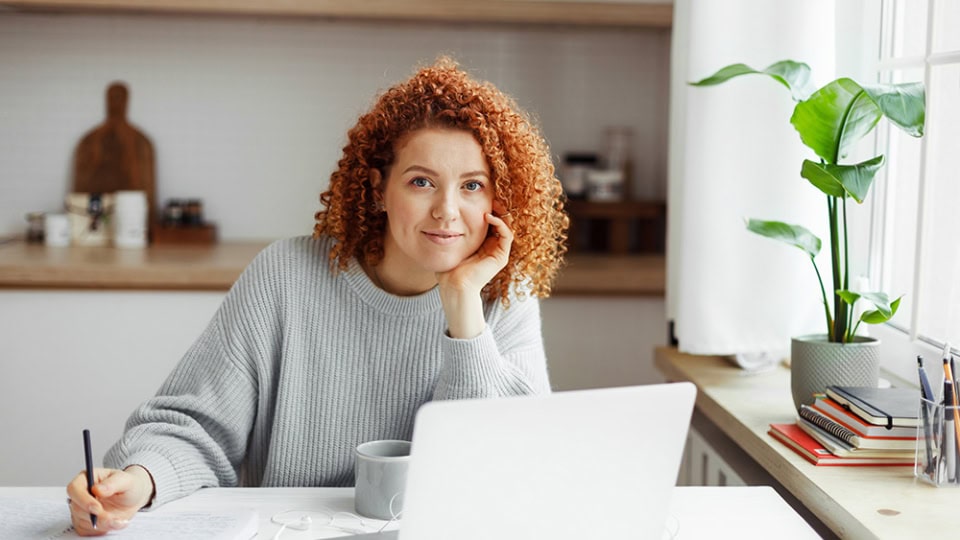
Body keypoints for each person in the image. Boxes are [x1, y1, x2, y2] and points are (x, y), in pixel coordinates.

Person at [65, 56, 568, 536]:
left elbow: (509, 467)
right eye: (421, 182)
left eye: (472, 186)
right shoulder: (286, 277)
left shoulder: (504, 294)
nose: (447, 210)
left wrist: (463, 309)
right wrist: (139, 480)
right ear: (377, 189)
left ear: (496, 198)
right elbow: (193, 424)